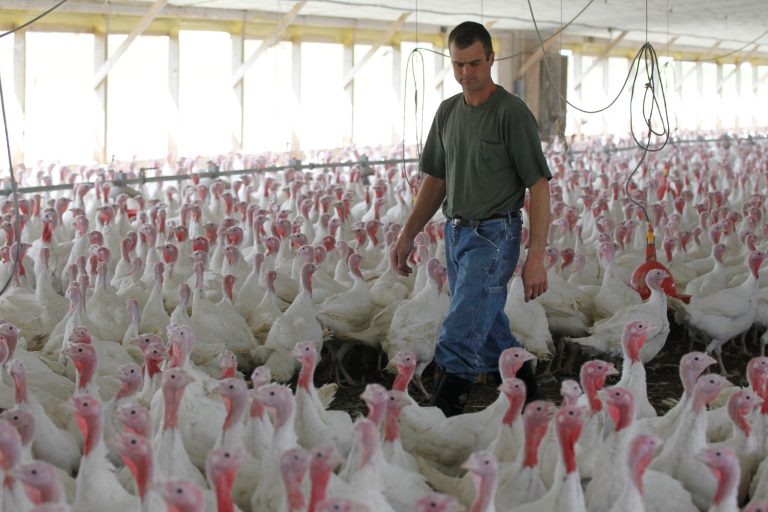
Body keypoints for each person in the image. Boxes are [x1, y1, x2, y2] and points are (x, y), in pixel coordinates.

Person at [390, 21, 552, 417]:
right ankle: (530, 399)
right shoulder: (448, 112)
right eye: (458, 64)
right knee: (488, 322)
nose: (466, 73)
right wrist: (407, 233)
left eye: (474, 63)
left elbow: (539, 185)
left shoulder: (511, 113)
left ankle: (442, 413)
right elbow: (436, 180)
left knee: (461, 326)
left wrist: (536, 256)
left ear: (491, 59)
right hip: (456, 233)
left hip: (495, 234)